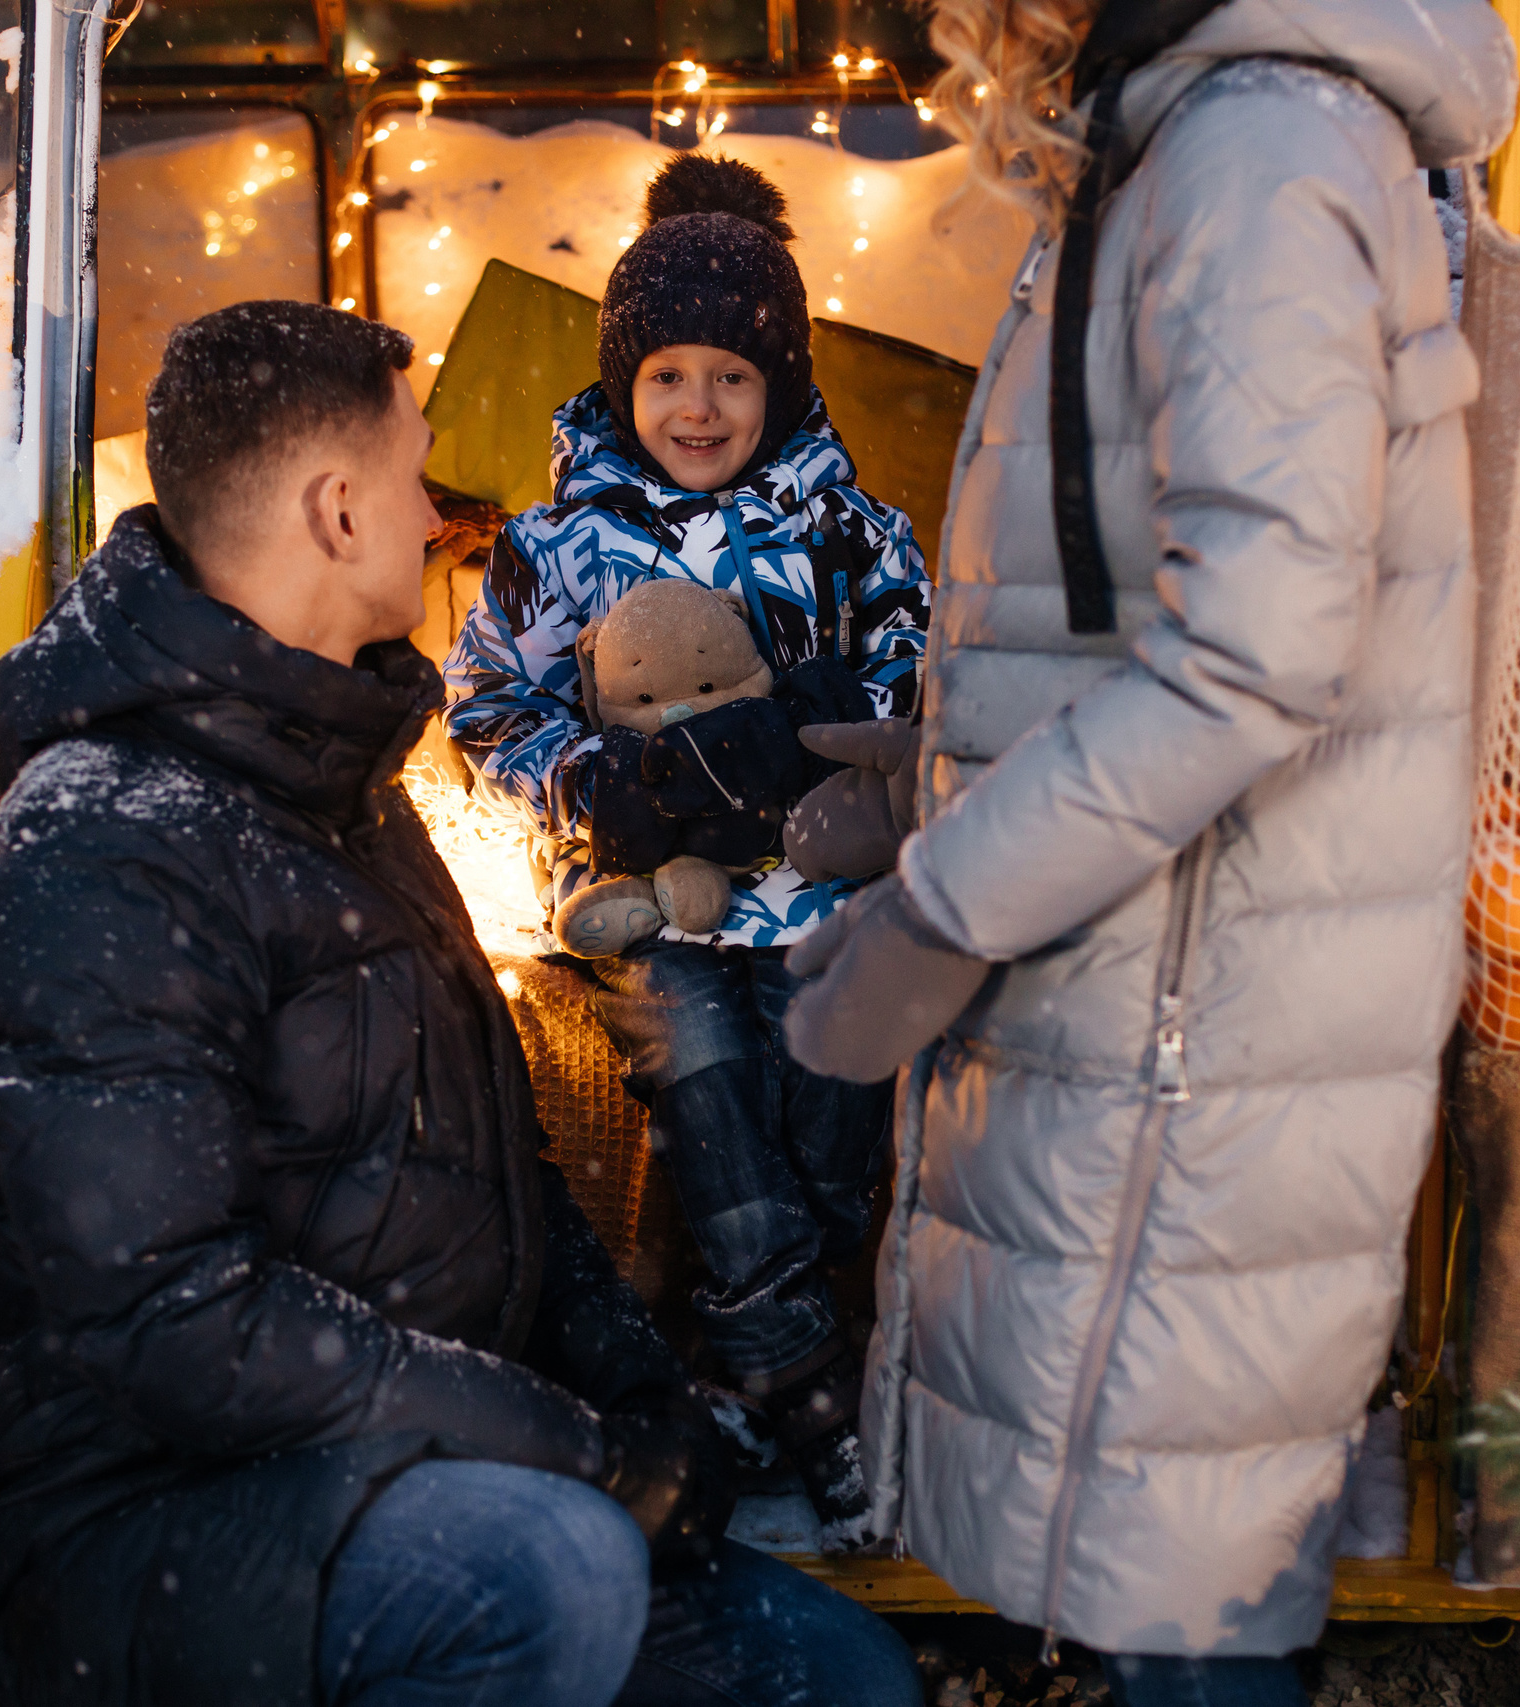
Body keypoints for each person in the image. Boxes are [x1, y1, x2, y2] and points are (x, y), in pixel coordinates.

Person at [0, 299, 919, 1707]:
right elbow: (171, 1319)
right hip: (156, 1514)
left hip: (434, 1464)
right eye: (417, 474)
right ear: (339, 512)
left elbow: (499, 1175)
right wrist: (568, 1450)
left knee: (838, 1679)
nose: (439, 513)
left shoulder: (349, 797)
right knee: (554, 1566)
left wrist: (647, 1408)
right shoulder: (103, 848)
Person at [784, 0, 1520, 1700]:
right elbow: (1149, 598)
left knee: (1180, 1591)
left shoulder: (1255, 157)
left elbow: (1259, 649)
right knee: (1151, 1572)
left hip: (1200, 1022)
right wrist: (944, 777)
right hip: (1165, 987)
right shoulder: (1194, 142)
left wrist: (945, 904)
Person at [443, 154, 929, 1538]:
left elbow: (918, 660)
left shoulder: (849, 529)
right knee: (706, 1083)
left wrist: (814, 726)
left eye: (729, 375)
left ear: (777, 384)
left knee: (829, 1129)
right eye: (666, 375)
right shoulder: (560, 543)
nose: (697, 406)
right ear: (622, 384)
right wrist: (595, 780)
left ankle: (754, 1366)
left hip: (812, 883)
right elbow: (485, 702)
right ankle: (807, 1387)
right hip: (646, 895)